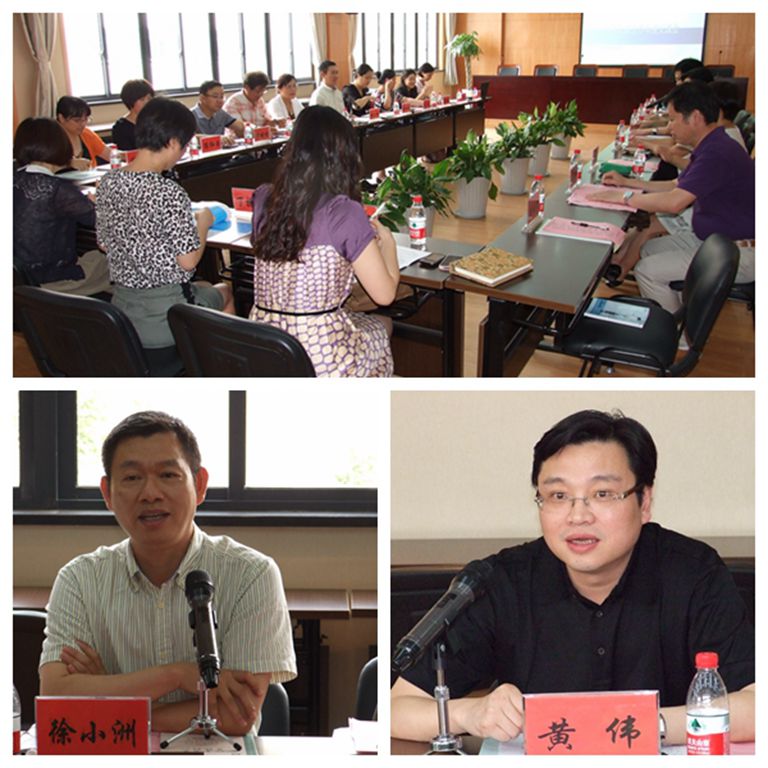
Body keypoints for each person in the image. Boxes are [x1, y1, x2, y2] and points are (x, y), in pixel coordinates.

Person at [391, 410, 755, 746]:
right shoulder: (503, 582)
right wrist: (469, 713)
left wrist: (643, 727)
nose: (578, 516)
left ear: (644, 501)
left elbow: (755, 707)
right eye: (558, 495)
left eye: (602, 494)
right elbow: (396, 708)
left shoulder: (693, 573)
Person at [39, 410, 297, 735]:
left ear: (199, 485)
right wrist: (176, 675)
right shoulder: (79, 579)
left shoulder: (252, 575)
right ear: (107, 493)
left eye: (168, 475)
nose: (150, 493)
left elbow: (236, 717)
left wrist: (108, 700)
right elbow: (56, 699)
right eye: (132, 478)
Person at [249, 105, 399, 377]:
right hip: (321, 356)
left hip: (263, 346)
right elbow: (385, 295)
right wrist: (388, 245)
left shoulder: (263, 197)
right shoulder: (343, 211)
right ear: (345, 155)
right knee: (382, 324)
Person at [589, 81, 754, 309]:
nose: (670, 127)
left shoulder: (718, 152)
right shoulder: (712, 144)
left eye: (673, 119)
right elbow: (676, 185)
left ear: (695, 117)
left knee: (648, 271)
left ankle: (673, 327)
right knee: (648, 249)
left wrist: (623, 198)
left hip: (739, 251)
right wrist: (627, 183)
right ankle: (678, 308)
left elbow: (674, 202)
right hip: (717, 238)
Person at [96, 97, 234, 349]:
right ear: (172, 142)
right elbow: (188, 262)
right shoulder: (167, 192)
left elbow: (104, 244)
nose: (182, 153)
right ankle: (215, 362)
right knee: (224, 291)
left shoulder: (108, 182)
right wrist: (203, 222)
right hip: (167, 316)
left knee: (204, 287)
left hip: (122, 313)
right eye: (184, 145)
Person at [13, 117, 111, 294]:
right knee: (119, 260)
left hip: (18, 279)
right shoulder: (57, 189)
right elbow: (103, 221)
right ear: (60, 145)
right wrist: (99, 203)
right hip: (53, 281)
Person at [56, 96, 111, 170]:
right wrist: (70, 163)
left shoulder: (86, 134)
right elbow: (45, 167)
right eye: (77, 120)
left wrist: (126, 155)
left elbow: (110, 154)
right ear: (61, 118)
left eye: (85, 119)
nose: (83, 124)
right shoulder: (50, 138)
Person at [112, 79, 155, 150]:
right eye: (142, 99)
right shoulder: (121, 127)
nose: (147, 103)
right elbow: (126, 153)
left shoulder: (154, 122)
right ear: (131, 100)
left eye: (149, 98)